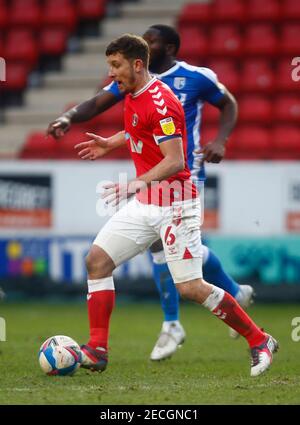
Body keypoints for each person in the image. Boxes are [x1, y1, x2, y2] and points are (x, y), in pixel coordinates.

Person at [70, 33, 277, 377]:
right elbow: (140, 128)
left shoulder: (161, 102)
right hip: (148, 201)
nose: (112, 73)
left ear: (137, 64)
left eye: (116, 65)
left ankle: (260, 340)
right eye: (109, 66)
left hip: (175, 202)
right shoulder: (132, 92)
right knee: (97, 261)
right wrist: (112, 143)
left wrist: (136, 182)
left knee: (190, 288)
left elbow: (176, 160)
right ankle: (97, 349)